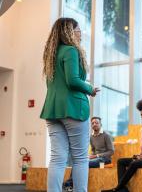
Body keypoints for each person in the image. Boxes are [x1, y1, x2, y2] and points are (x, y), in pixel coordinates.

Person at [40, 18, 100, 192]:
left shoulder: (51, 54)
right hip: (73, 108)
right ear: (70, 32)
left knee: (57, 158)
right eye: (78, 29)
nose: (80, 33)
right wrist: (90, 89)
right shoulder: (71, 50)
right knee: (80, 158)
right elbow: (72, 80)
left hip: (52, 110)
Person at [103, 99, 142, 192]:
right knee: (121, 161)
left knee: (134, 163)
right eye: (141, 114)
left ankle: (117, 188)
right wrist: (140, 155)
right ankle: (123, 189)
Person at [63, 117, 114, 191]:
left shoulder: (106, 135)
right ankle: (71, 185)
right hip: (96, 159)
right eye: (93, 123)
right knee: (78, 161)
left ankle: (69, 184)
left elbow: (111, 151)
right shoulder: (91, 136)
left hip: (105, 160)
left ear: (100, 124)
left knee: (84, 163)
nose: (94, 124)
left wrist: (96, 156)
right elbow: (93, 150)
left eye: (96, 123)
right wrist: (91, 156)